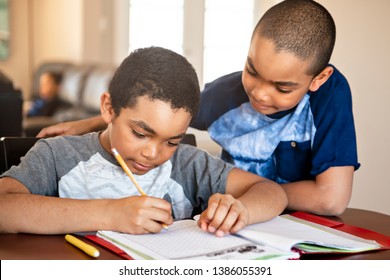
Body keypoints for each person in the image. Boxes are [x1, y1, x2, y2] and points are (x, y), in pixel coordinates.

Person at [36, 0, 360, 216]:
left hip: (275, 218)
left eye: (283, 87)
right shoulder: (224, 94)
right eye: (252, 70)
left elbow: (330, 199)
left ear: (318, 78)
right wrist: (91, 123)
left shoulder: (329, 96)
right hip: (232, 217)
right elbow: (158, 114)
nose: (259, 93)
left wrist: (254, 200)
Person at [0, 47, 287, 236]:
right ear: (109, 109)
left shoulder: (187, 164)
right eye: (140, 133)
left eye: (171, 141)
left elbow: (271, 192)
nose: (152, 153)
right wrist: (110, 213)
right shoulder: (58, 155)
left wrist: (242, 210)